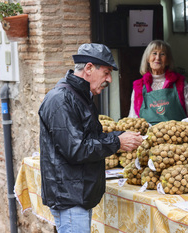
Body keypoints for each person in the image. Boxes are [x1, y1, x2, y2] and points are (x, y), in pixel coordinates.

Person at [38, 43, 143, 233]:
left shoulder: (81, 97)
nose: (109, 79)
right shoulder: (60, 100)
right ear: (88, 68)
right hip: (70, 198)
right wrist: (117, 142)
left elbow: (90, 138)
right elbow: (77, 149)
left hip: (77, 195)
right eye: (106, 72)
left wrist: (120, 136)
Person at [128, 40, 188, 125]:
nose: (157, 58)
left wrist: (184, 123)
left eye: (162, 54)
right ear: (148, 58)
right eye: (154, 53)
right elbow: (133, 118)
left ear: (168, 60)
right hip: (148, 136)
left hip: (177, 135)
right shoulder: (139, 86)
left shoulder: (180, 84)